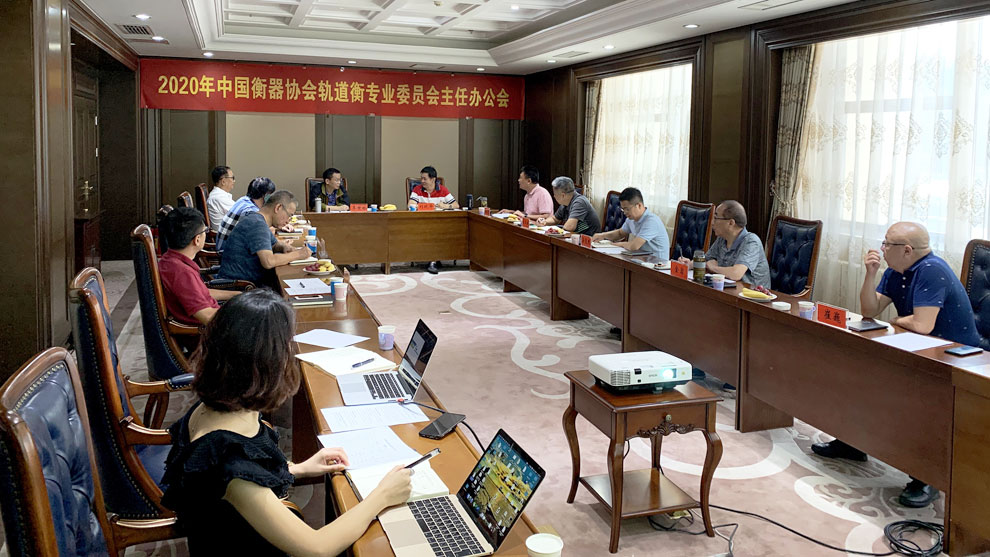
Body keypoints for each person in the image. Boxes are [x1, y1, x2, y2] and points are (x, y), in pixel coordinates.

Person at [161, 289, 412, 555]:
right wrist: (382, 496)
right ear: (269, 363)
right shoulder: (230, 460)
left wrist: (298, 469)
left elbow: (244, 476)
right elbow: (317, 548)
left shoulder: (215, 407)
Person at [812, 221, 979, 508]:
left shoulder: (931, 270)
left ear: (907, 250)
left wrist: (895, 320)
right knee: (859, 369)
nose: (882, 248)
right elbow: (869, 310)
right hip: (919, 348)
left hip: (956, 357)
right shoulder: (895, 271)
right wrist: (870, 274)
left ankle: (926, 477)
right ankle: (852, 442)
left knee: (916, 398)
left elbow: (923, 325)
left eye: (887, 244)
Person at [158, 207, 239, 325]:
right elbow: (207, 316)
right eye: (205, 230)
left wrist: (238, 296)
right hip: (208, 330)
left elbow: (201, 293)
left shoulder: (170, 261)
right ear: (197, 239)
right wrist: (243, 312)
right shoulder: (182, 272)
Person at [218, 190, 310, 288]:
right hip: (240, 287)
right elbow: (269, 262)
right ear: (278, 208)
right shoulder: (257, 224)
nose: (288, 221)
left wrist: (284, 247)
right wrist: (299, 254)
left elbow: (274, 244)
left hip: (247, 283)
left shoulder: (257, 219)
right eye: (289, 215)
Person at [679, 200, 770, 289]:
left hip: (752, 295)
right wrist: (689, 264)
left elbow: (736, 274)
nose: (712, 222)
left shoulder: (751, 241)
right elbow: (706, 260)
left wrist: (714, 267)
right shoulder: (722, 239)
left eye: (716, 218)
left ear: (731, 223)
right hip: (728, 290)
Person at [591, 187, 669, 258]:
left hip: (657, 263)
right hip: (642, 258)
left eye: (627, 209)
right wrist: (602, 236)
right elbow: (620, 233)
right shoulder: (631, 219)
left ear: (639, 205)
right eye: (623, 209)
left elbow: (634, 246)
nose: (625, 212)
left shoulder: (651, 221)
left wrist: (615, 245)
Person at [409, 166, 457, 274]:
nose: (422, 181)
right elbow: (410, 205)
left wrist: (446, 206)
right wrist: (427, 206)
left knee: (439, 230)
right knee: (432, 231)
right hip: (421, 222)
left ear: (433, 179)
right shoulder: (417, 189)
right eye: (421, 178)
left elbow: (455, 205)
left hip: (440, 223)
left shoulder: (443, 190)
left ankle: (434, 259)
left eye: (424, 178)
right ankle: (433, 261)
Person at [216, 177, 277, 251]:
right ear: (266, 196)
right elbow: (261, 236)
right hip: (227, 253)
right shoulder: (251, 211)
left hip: (225, 247)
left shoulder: (243, 200)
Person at [536, 176, 601, 236]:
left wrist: (555, 229)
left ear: (563, 195)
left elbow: (569, 227)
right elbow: (555, 219)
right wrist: (544, 222)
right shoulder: (565, 203)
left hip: (589, 239)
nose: (554, 196)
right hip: (575, 237)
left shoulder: (580, 202)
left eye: (555, 194)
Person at [207, 166, 236, 232]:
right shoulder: (219, 197)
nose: (234, 181)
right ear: (223, 181)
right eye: (232, 178)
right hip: (226, 234)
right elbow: (241, 213)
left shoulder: (220, 195)